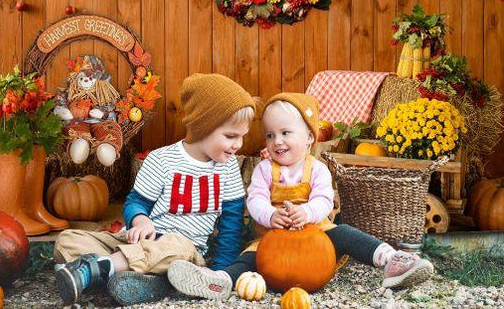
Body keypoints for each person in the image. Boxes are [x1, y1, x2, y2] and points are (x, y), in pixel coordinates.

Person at [167, 92, 434, 300]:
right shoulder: (263, 170)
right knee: (249, 260)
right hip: (271, 240)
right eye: (270, 135)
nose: (277, 141)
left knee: (345, 233)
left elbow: (323, 200)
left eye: (285, 133)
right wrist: (271, 215)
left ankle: (391, 260)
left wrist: (306, 212)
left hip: (315, 237)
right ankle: (220, 280)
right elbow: (255, 199)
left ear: (308, 137)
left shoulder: (317, 169)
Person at [53, 73, 255, 306]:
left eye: (242, 137)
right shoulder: (161, 160)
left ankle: (98, 269)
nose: (238, 145)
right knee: (68, 240)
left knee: (175, 248)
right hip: (138, 244)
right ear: (202, 125)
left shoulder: (228, 169)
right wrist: (140, 220)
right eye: (231, 136)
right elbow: (136, 202)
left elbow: (231, 227)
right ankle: (143, 278)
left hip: (183, 252)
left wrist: (219, 274)